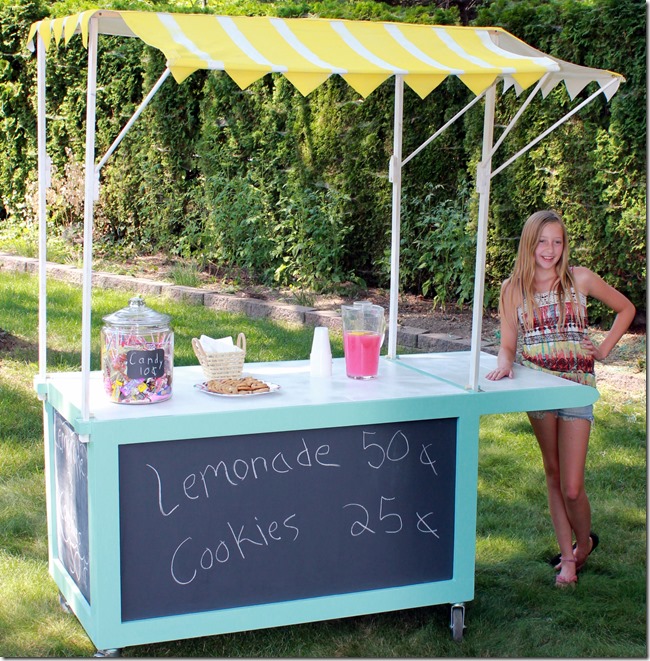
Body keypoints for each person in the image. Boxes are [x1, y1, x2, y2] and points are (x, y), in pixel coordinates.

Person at [485, 210, 636, 587]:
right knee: (552, 474)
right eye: (542, 241)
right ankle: (567, 558)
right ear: (529, 244)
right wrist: (505, 364)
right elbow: (508, 345)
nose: (549, 249)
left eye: (557, 241)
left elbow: (626, 309)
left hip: (576, 386)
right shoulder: (512, 289)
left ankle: (583, 543)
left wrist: (602, 349)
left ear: (564, 245)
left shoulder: (579, 279)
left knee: (572, 485)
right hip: (537, 387)